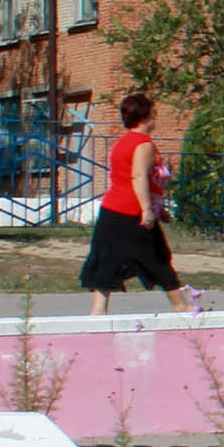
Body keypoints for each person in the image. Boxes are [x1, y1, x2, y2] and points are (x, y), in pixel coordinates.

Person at [80, 93, 194, 316]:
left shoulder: (122, 143)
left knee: (105, 258)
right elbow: (139, 176)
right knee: (157, 257)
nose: (155, 118)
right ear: (145, 116)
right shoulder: (143, 144)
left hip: (112, 209)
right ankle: (181, 305)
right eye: (153, 114)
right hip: (132, 210)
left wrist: (159, 211)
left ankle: (98, 309)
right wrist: (147, 210)